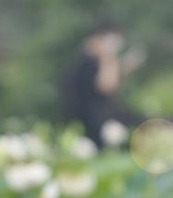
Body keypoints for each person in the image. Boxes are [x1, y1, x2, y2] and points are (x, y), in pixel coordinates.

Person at [60, 20, 145, 148]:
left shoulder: (88, 58)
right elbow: (106, 86)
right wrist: (108, 56)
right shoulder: (89, 60)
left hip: (99, 115)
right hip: (94, 121)